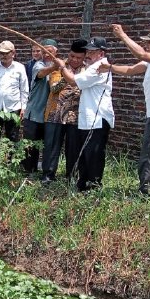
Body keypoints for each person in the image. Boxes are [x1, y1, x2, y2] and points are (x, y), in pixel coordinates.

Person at [102, 25, 150, 195]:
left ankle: (145, 191)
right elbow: (131, 70)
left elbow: (141, 54)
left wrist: (122, 35)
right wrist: (108, 67)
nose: (146, 46)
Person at [55, 36, 114, 191]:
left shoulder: (99, 67)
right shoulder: (92, 66)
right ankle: (83, 185)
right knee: (85, 155)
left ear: (101, 53)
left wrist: (62, 67)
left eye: (92, 52)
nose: (88, 54)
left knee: (94, 155)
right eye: (87, 51)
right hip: (88, 119)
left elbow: (73, 81)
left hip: (97, 119)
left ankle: (93, 188)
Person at [41, 39, 87, 183]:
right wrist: (64, 72)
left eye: (79, 58)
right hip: (55, 113)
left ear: (84, 57)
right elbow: (54, 88)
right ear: (69, 54)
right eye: (72, 56)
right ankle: (48, 175)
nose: (74, 60)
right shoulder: (58, 65)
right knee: (51, 147)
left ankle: (71, 176)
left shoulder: (87, 69)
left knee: (73, 148)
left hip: (75, 115)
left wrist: (70, 76)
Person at [23, 39, 59, 173]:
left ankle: (46, 172)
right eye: (44, 51)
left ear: (56, 52)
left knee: (48, 145)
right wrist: (57, 66)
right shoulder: (38, 65)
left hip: (50, 114)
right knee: (30, 145)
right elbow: (42, 73)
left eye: (50, 51)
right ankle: (28, 171)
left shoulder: (61, 69)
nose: (46, 54)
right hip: (34, 113)